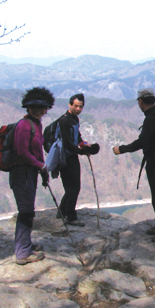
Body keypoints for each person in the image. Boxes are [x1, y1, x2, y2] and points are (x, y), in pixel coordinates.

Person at [113, 88, 155, 244]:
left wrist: (121, 149)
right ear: (154, 100)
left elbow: (142, 142)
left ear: (140, 102)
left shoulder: (151, 119)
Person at [11, 87, 54, 265]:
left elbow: (36, 151)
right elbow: (22, 152)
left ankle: (25, 245)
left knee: (28, 210)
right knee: (26, 211)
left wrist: (43, 170)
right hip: (22, 173)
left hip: (30, 173)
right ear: (27, 108)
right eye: (34, 107)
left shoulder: (36, 124)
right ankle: (22, 253)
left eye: (41, 107)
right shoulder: (23, 125)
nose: (38, 110)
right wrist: (40, 165)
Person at [55, 93, 99, 226]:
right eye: (76, 106)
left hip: (72, 156)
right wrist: (82, 151)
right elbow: (67, 143)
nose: (78, 109)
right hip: (65, 157)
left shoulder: (74, 119)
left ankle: (62, 211)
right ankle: (71, 217)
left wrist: (84, 144)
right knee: (73, 187)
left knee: (71, 187)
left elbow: (76, 136)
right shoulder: (64, 121)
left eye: (80, 106)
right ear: (70, 105)